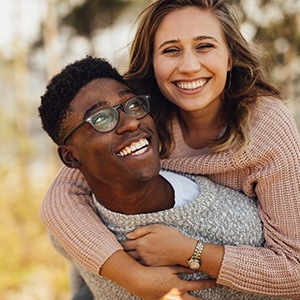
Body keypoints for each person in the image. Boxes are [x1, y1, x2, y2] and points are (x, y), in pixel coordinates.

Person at [40, 0, 300, 298]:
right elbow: (60, 199)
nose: (189, 66)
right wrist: (132, 276)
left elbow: (295, 271)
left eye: (204, 46)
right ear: (152, 62)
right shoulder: (141, 115)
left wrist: (190, 251)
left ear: (230, 58)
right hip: (102, 279)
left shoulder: (265, 124)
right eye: (171, 50)